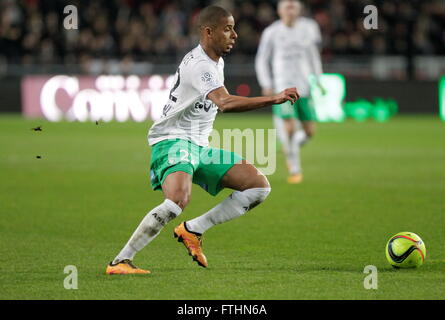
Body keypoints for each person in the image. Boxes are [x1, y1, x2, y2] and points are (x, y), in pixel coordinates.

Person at [106, 5, 299, 274]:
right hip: (172, 140)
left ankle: (193, 229)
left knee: (258, 187)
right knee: (177, 200)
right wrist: (274, 98)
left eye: (234, 28)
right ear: (209, 32)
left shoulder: (216, 61)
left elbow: (220, 98)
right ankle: (120, 261)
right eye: (227, 29)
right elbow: (225, 102)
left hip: (199, 145)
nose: (235, 35)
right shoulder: (200, 66)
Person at [255, 0, 325, 184]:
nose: (290, 10)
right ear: (280, 11)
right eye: (287, 7)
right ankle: (295, 169)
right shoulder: (272, 32)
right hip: (283, 87)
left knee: (309, 132)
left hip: (304, 87)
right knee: (290, 128)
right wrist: (266, 83)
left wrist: (318, 79)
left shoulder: (309, 28)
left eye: (294, 7)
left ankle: (288, 146)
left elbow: (313, 56)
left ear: (299, 10)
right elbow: (262, 59)